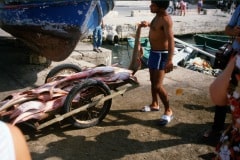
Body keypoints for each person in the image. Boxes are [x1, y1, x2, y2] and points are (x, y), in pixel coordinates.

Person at [203, 4, 240, 139]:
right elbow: (227, 29)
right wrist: (234, 31)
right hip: (236, 56)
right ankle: (217, 128)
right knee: (224, 91)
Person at [139, 0, 175, 126]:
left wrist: (170, 60)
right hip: (154, 53)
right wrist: (148, 24)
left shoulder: (166, 20)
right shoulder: (157, 16)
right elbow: (156, 29)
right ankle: (155, 104)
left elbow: (171, 40)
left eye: (153, 5)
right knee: (152, 81)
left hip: (162, 55)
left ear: (159, 7)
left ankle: (168, 110)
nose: (150, 6)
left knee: (158, 86)